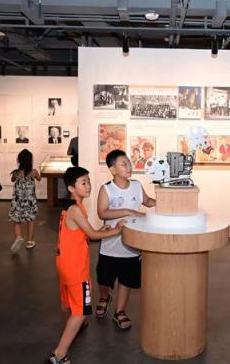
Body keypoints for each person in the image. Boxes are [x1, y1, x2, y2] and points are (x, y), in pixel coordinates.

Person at [48, 166, 125, 364]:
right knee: (81, 310)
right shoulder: (75, 209)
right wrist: (116, 230)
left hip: (65, 264)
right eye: (83, 183)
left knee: (68, 302)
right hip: (76, 268)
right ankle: (59, 355)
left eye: (88, 181)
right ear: (71, 188)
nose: (88, 186)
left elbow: (82, 232)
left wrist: (101, 230)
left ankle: (73, 326)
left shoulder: (71, 207)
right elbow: (91, 235)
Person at [95, 149, 155, 329]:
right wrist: (128, 211)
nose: (129, 166)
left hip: (131, 246)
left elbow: (148, 201)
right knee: (104, 279)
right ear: (112, 169)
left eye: (129, 163)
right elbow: (102, 212)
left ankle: (119, 311)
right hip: (110, 246)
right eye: (124, 164)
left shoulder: (136, 185)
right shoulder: (106, 189)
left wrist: (167, 199)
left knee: (126, 280)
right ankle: (104, 297)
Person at [8, 149, 41, 252]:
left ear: (19, 160)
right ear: (30, 160)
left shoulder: (16, 173)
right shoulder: (34, 172)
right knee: (30, 220)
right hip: (30, 200)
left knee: (17, 220)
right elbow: (39, 178)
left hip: (17, 200)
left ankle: (18, 238)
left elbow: (12, 180)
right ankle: (30, 241)